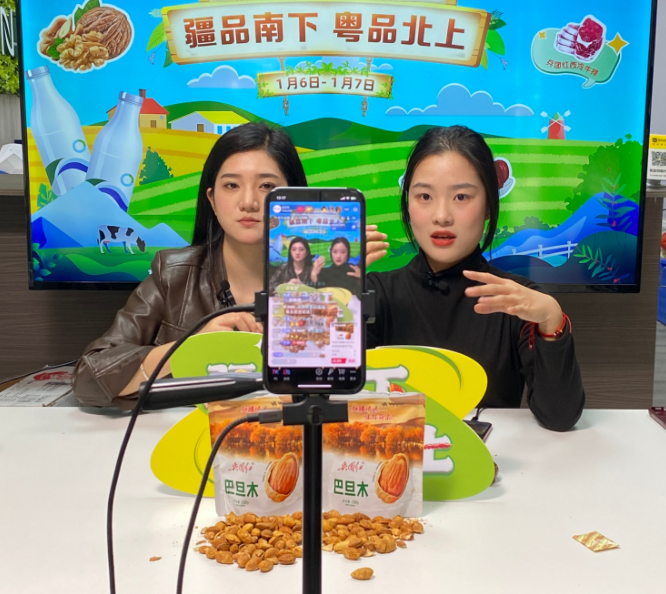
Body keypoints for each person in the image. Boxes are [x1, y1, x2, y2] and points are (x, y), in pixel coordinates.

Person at [73, 122, 390, 408]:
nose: (248, 202)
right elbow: (89, 378)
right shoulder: (173, 274)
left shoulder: (320, 278)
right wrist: (190, 347)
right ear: (211, 199)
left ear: (294, 199)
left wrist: (327, 295)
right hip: (188, 440)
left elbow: (349, 389)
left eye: (267, 187)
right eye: (231, 185)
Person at [366, 126, 585, 431]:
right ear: (407, 203)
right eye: (425, 196)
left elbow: (559, 418)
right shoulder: (373, 293)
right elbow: (322, 398)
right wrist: (331, 296)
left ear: (488, 206)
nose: (442, 215)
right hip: (394, 456)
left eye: (461, 196)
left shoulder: (515, 299)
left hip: (491, 458)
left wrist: (551, 319)